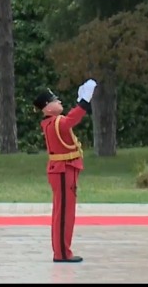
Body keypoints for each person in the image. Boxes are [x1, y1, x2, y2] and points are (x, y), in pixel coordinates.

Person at [33, 78, 96, 263]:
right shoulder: (56, 123)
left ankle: (62, 250)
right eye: (55, 100)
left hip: (64, 170)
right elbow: (72, 119)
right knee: (63, 214)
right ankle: (61, 252)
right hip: (62, 171)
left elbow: (70, 119)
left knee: (65, 212)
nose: (59, 101)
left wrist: (82, 103)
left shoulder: (54, 122)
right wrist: (84, 101)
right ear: (47, 108)